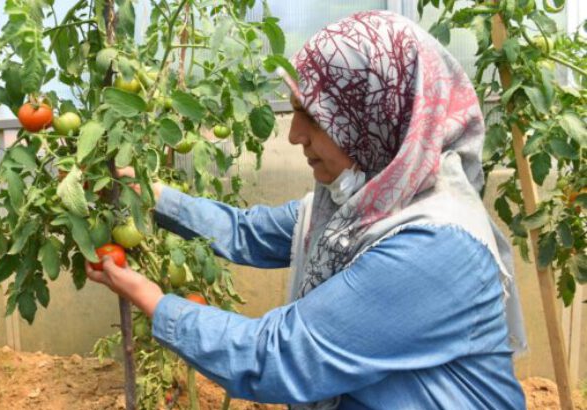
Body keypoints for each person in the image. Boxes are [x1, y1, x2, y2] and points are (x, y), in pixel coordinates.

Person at [86, 10, 528, 409]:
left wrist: (153, 300)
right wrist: (148, 191)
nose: (295, 134)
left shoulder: (434, 246)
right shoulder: (363, 205)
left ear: (374, 116)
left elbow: (277, 357)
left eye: (315, 116)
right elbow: (248, 232)